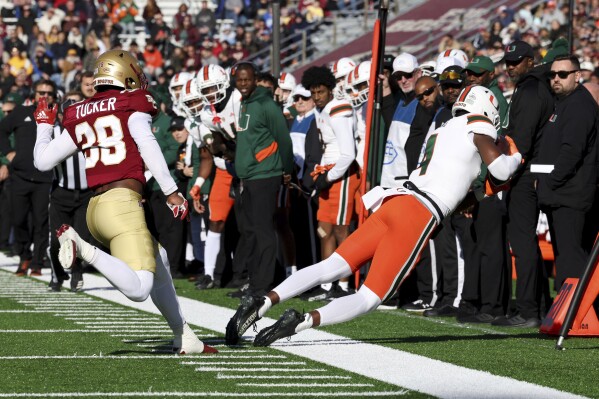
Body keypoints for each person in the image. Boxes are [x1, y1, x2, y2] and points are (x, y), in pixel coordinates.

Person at [225, 85, 523, 346]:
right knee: (371, 297)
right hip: (418, 214)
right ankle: (301, 321)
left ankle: (263, 301)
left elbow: (462, 192)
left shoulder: (443, 128)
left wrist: (481, 192)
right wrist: (515, 157)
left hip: (397, 201)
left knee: (334, 265)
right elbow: (500, 169)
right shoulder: (479, 125)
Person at [32, 49, 216, 355]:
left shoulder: (79, 112)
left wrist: (43, 125)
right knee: (140, 289)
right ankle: (83, 248)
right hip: (123, 204)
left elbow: (42, 161)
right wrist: (172, 191)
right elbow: (148, 146)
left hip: (97, 209)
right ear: (126, 73)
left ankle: (184, 336)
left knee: (160, 262)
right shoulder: (131, 104)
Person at [495, 40, 554, 328]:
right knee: (524, 240)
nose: (510, 67)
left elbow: (522, 141)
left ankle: (529, 309)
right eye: (507, 62)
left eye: (516, 61)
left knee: (522, 241)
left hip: (524, 172)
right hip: (529, 170)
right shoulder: (532, 86)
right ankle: (540, 305)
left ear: (531, 61)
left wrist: (506, 173)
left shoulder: (531, 90)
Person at [225, 61, 293, 299]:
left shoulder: (266, 104)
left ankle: (262, 286)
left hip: (265, 175)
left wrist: (287, 169)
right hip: (249, 176)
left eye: (247, 79)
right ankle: (253, 282)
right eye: (239, 80)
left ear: (255, 79)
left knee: (263, 231)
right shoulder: (245, 103)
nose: (243, 84)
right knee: (251, 231)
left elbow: (284, 140)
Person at [535, 55, 598, 290]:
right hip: (561, 194)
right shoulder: (565, 103)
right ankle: (567, 315)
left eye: (562, 74)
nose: (555, 79)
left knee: (572, 259)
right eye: (552, 75)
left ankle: (578, 317)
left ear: (577, 76)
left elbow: (572, 151)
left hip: (570, 194)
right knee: (566, 257)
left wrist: (551, 181)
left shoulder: (579, 105)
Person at [299, 65, 358, 301]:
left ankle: (343, 284)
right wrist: (319, 175)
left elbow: (348, 154)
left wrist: (328, 177)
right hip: (327, 173)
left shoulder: (338, 110)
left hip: (341, 176)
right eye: (313, 92)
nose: (316, 97)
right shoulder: (320, 111)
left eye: (320, 92)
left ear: (330, 90)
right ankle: (326, 284)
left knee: (341, 229)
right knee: (324, 230)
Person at [0, 79, 55, 277]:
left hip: (45, 178)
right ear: (34, 93)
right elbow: (2, 131)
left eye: (48, 92)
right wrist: (8, 153)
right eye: (41, 92)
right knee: (18, 218)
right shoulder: (21, 113)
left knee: (41, 222)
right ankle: (24, 256)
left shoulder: (57, 116)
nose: (45, 96)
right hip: (20, 176)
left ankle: (37, 262)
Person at [47, 92, 92, 293]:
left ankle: (76, 271)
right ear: (60, 116)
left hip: (85, 194)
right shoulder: (53, 133)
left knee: (80, 240)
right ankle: (57, 275)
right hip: (61, 194)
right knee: (58, 241)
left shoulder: (92, 131)